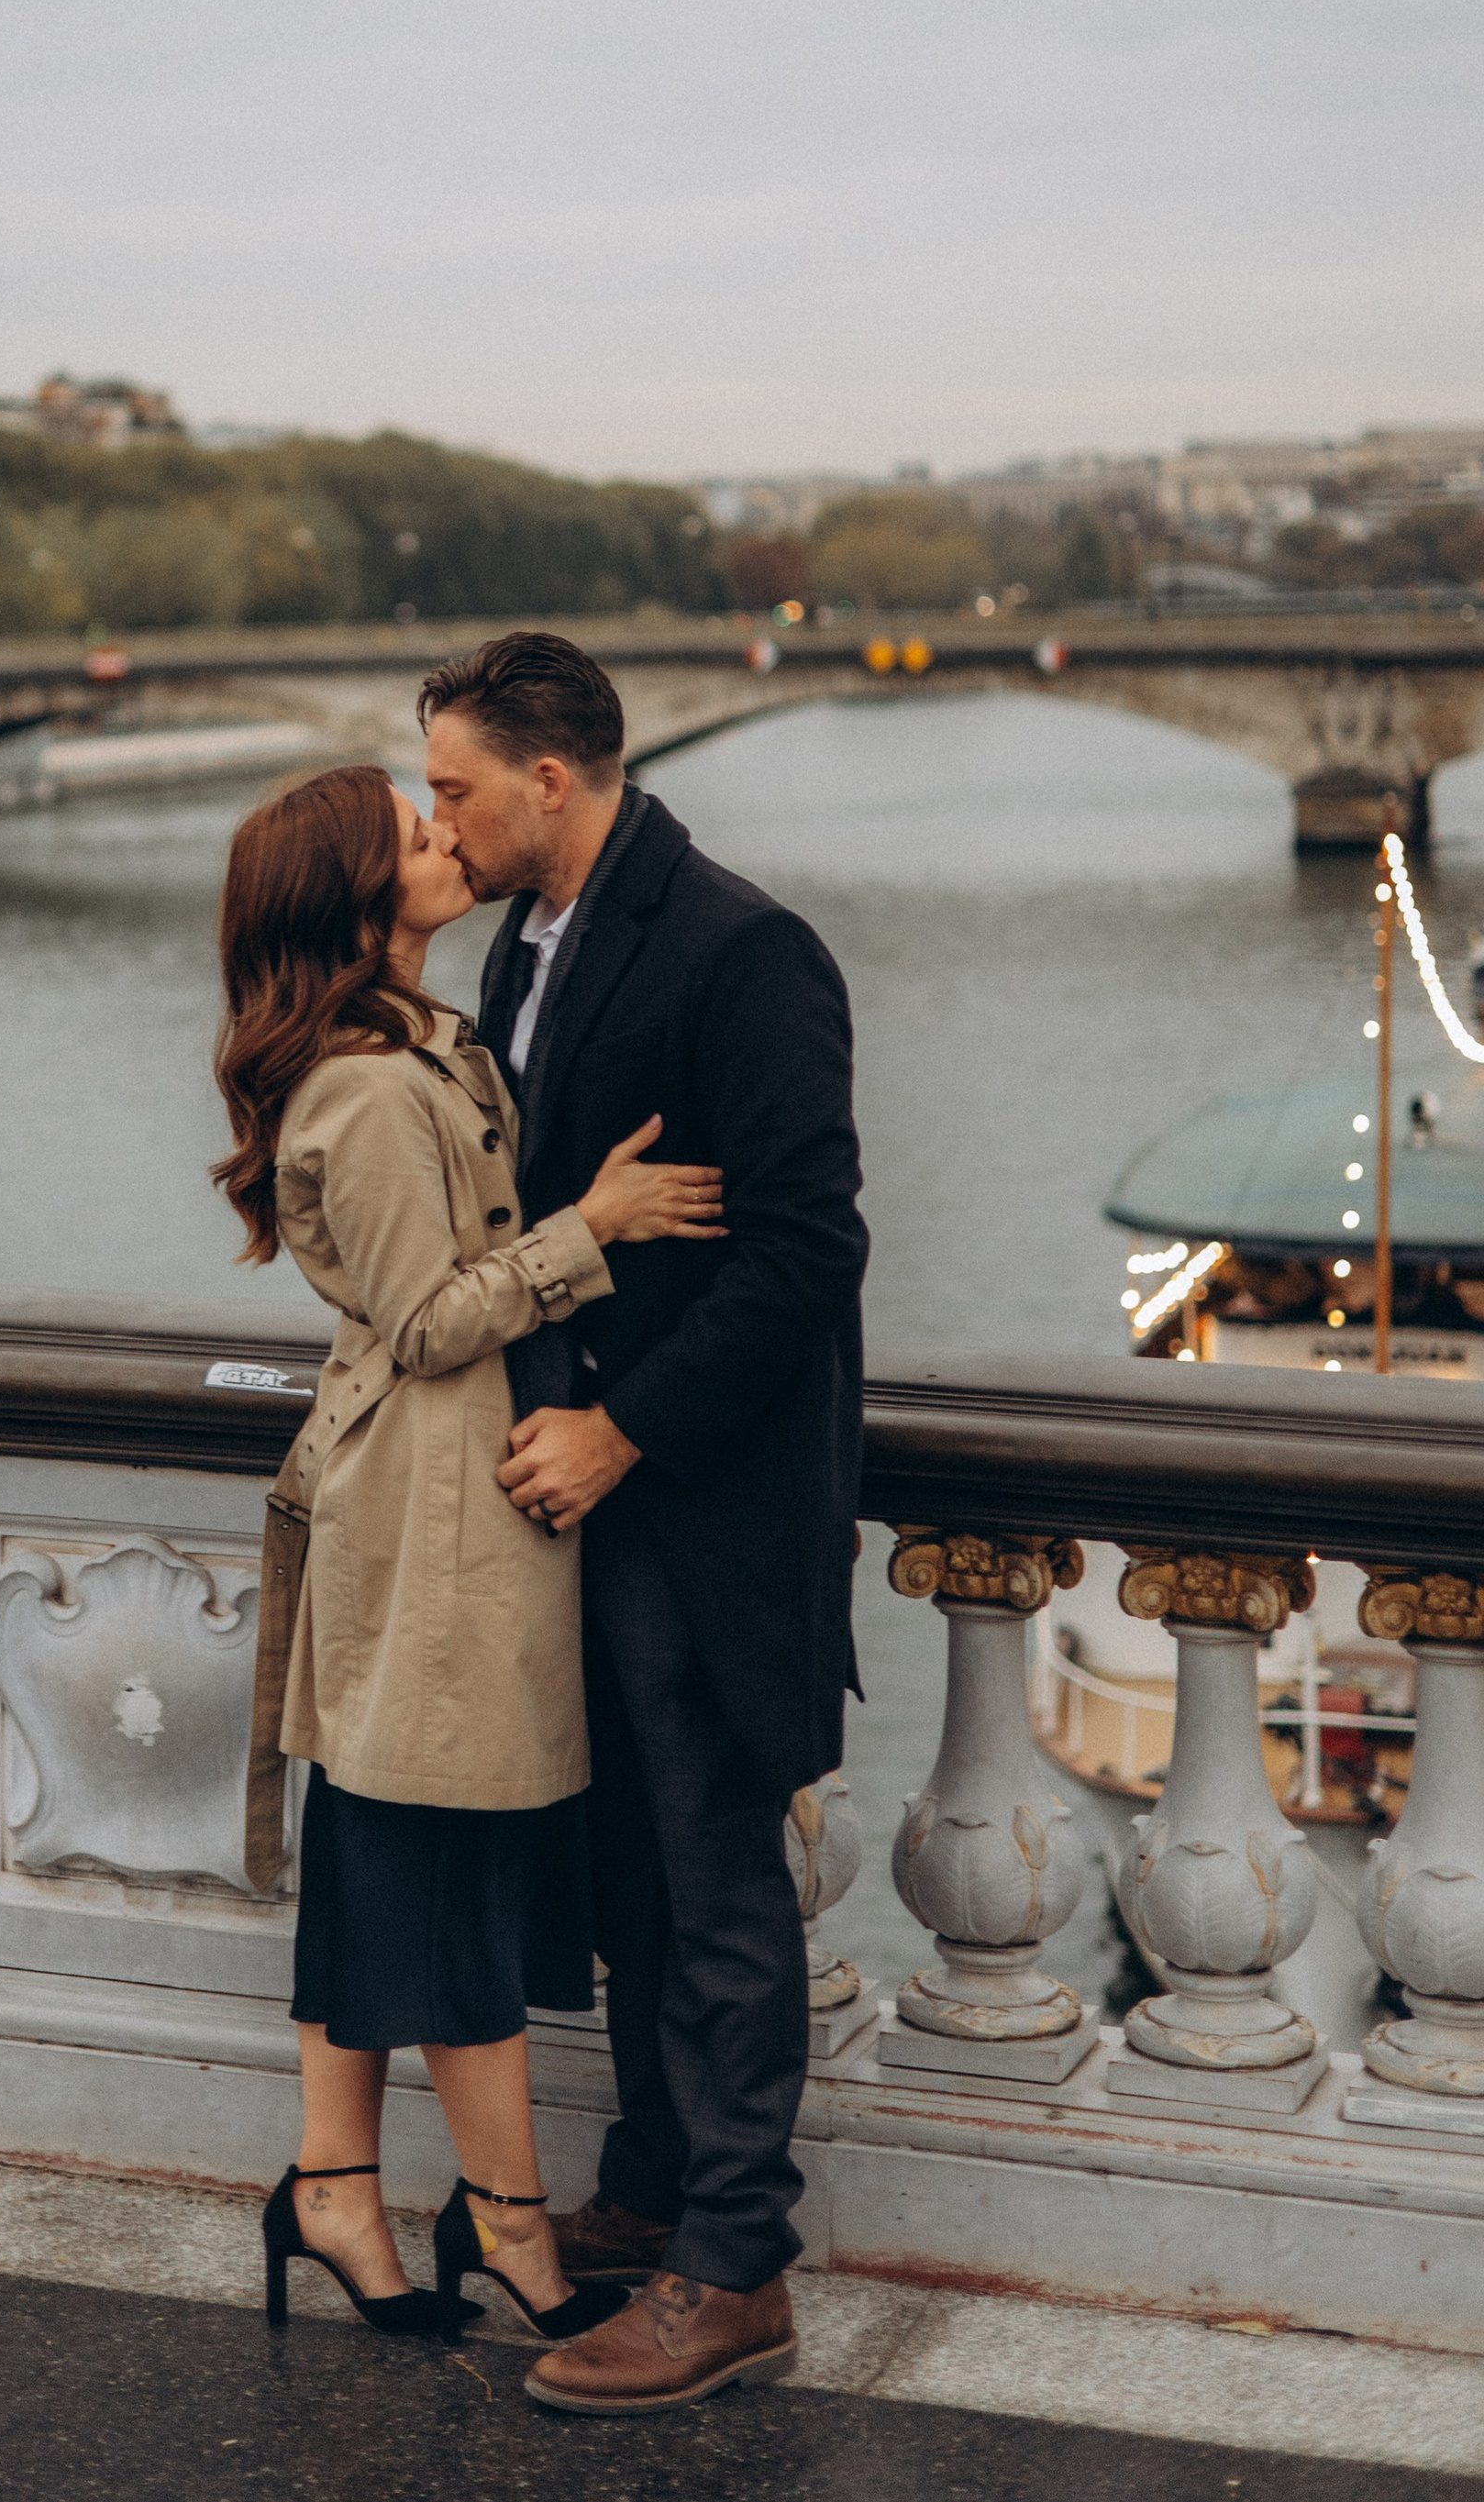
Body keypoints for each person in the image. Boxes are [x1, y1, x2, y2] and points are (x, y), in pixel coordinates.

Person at [213, 761, 723, 2344]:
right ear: (356, 897)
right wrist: (599, 1224)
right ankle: (500, 2219)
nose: (443, 839)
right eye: (410, 831)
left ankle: (336, 2185)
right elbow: (435, 1315)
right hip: (431, 1512)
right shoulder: (365, 1089)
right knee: (450, 1862)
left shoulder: (416, 1039)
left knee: (398, 1856)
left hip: (452, 1503)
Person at [419, 631, 868, 2420]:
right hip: (575, 1503)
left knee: (718, 1885)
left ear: (551, 775)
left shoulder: (744, 950)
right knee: (627, 1879)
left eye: (452, 783)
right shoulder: (521, 942)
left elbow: (804, 1254)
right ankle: (659, 2181)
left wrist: (618, 1429)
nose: (430, 817)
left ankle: (733, 2267)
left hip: (696, 1503)